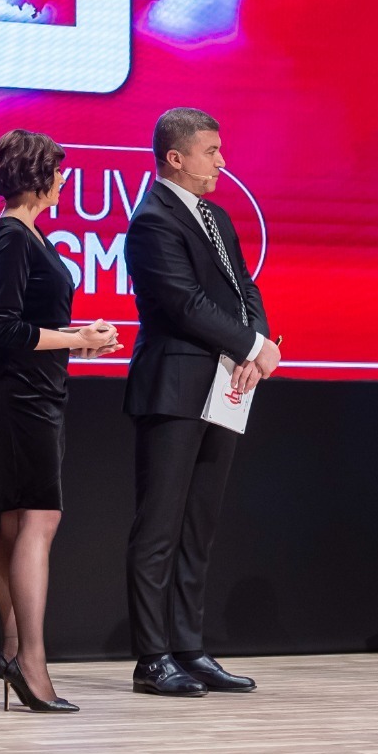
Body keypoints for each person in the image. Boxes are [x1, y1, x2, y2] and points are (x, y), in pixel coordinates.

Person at [123, 108, 279, 697]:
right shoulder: (152, 220)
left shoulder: (216, 216)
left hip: (225, 386)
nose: (221, 162)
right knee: (159, 527)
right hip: (174, 386)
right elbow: (184, 303)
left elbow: (245, 287)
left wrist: (256, 344)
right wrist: (252, 346)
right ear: (176, 158)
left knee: (199, 526)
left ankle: (189, 648)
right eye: (211, 152)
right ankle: (152, 658)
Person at [0, 129, 120, 714]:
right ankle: (30, 664)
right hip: (18, 394)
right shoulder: (11, 235)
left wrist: (80, 340)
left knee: (18, 524)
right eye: (57, 170)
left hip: (36, 388)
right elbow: (5, 328)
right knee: (38, 518)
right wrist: (78, 338)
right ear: (35, 175)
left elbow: (33, 322)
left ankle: (12, 653)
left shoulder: (27, 234)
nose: (63, 179)